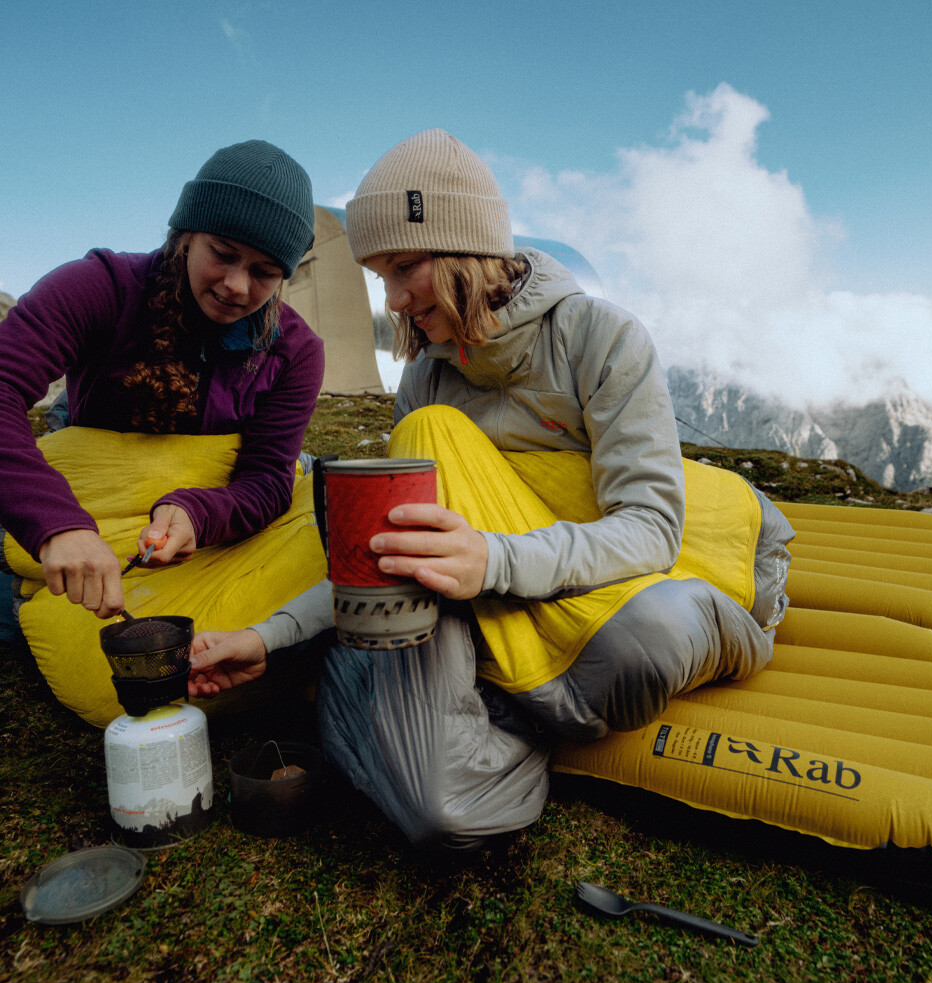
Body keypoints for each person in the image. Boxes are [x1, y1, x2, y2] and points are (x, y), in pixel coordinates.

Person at [188, 129, 793, 849]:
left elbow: (651, 528)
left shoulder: (600, 338)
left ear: (468, 248)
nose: (394, 298)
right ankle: (496, 720)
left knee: (647, 644)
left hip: (629, 574)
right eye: (382, 275)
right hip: (500, 596)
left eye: (405, 266)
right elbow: (400, 551)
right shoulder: (427, 378)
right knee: (440, 808)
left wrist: (493, 562)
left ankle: (478, 711)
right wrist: (272, 637)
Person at [0, 140, 323, 625]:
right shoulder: (100, 288)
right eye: (223, 253)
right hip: (96, 488)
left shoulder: (294, 351)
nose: (237, 285)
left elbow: (265, 480)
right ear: (186, 234)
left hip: (193, 520)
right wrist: (58, 526)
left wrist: (198, 513)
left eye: (264, 272)